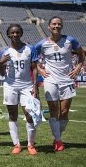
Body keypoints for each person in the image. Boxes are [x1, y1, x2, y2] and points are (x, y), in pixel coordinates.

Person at [35, 16, 84, 151]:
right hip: (50, 79)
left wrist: (78, 67)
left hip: (67, 79)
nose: (56, 26)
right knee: (53, 111)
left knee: (64, 112)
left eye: (59, 24)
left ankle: (57, 136)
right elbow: (32, 58)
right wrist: (40, 70)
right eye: (54, 24)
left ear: (62, 26)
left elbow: (82, 54)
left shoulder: (70, 40)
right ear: (49, 26)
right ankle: (58, 140)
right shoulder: (42, 43)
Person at [0, 24, 39, 155]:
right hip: (10, 86)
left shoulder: (30, 48)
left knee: (29, 115)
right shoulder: (5, 50)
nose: (15, 35)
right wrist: (1, 63)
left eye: (17, 32)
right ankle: (16, 144)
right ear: (8, 35)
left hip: (27, 86)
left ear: (21, 34)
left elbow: (34, 68)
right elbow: (2, 74)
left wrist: (35, 86)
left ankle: (30, 145)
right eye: (12, 33)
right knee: (12, 115)